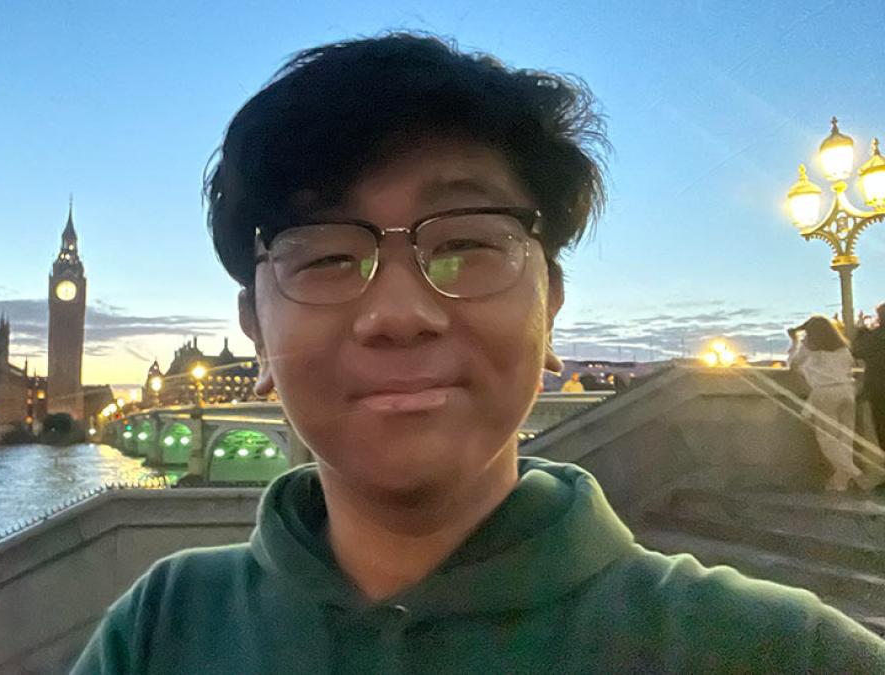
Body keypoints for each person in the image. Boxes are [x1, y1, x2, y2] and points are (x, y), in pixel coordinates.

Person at [73, 34, 884, 673]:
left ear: (551, 303)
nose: (397, 313)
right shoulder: (162, 628)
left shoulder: (779, 649)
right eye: (324, 257)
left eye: (465, 244)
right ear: (255, 328)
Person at [788, 315, 862, 491]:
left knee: (827, 439)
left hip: (825, 393)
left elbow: (793, 365)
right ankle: (840, 484)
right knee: (845, 438)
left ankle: (856, 473)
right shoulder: (843, 349)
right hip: (847, 392)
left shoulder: (811, 349)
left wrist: (794, 342)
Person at [854, 302, 885, 451]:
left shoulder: (873, 337)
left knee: (882, 424)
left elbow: (857, 351)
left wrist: (861, 329)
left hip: (878, 388)